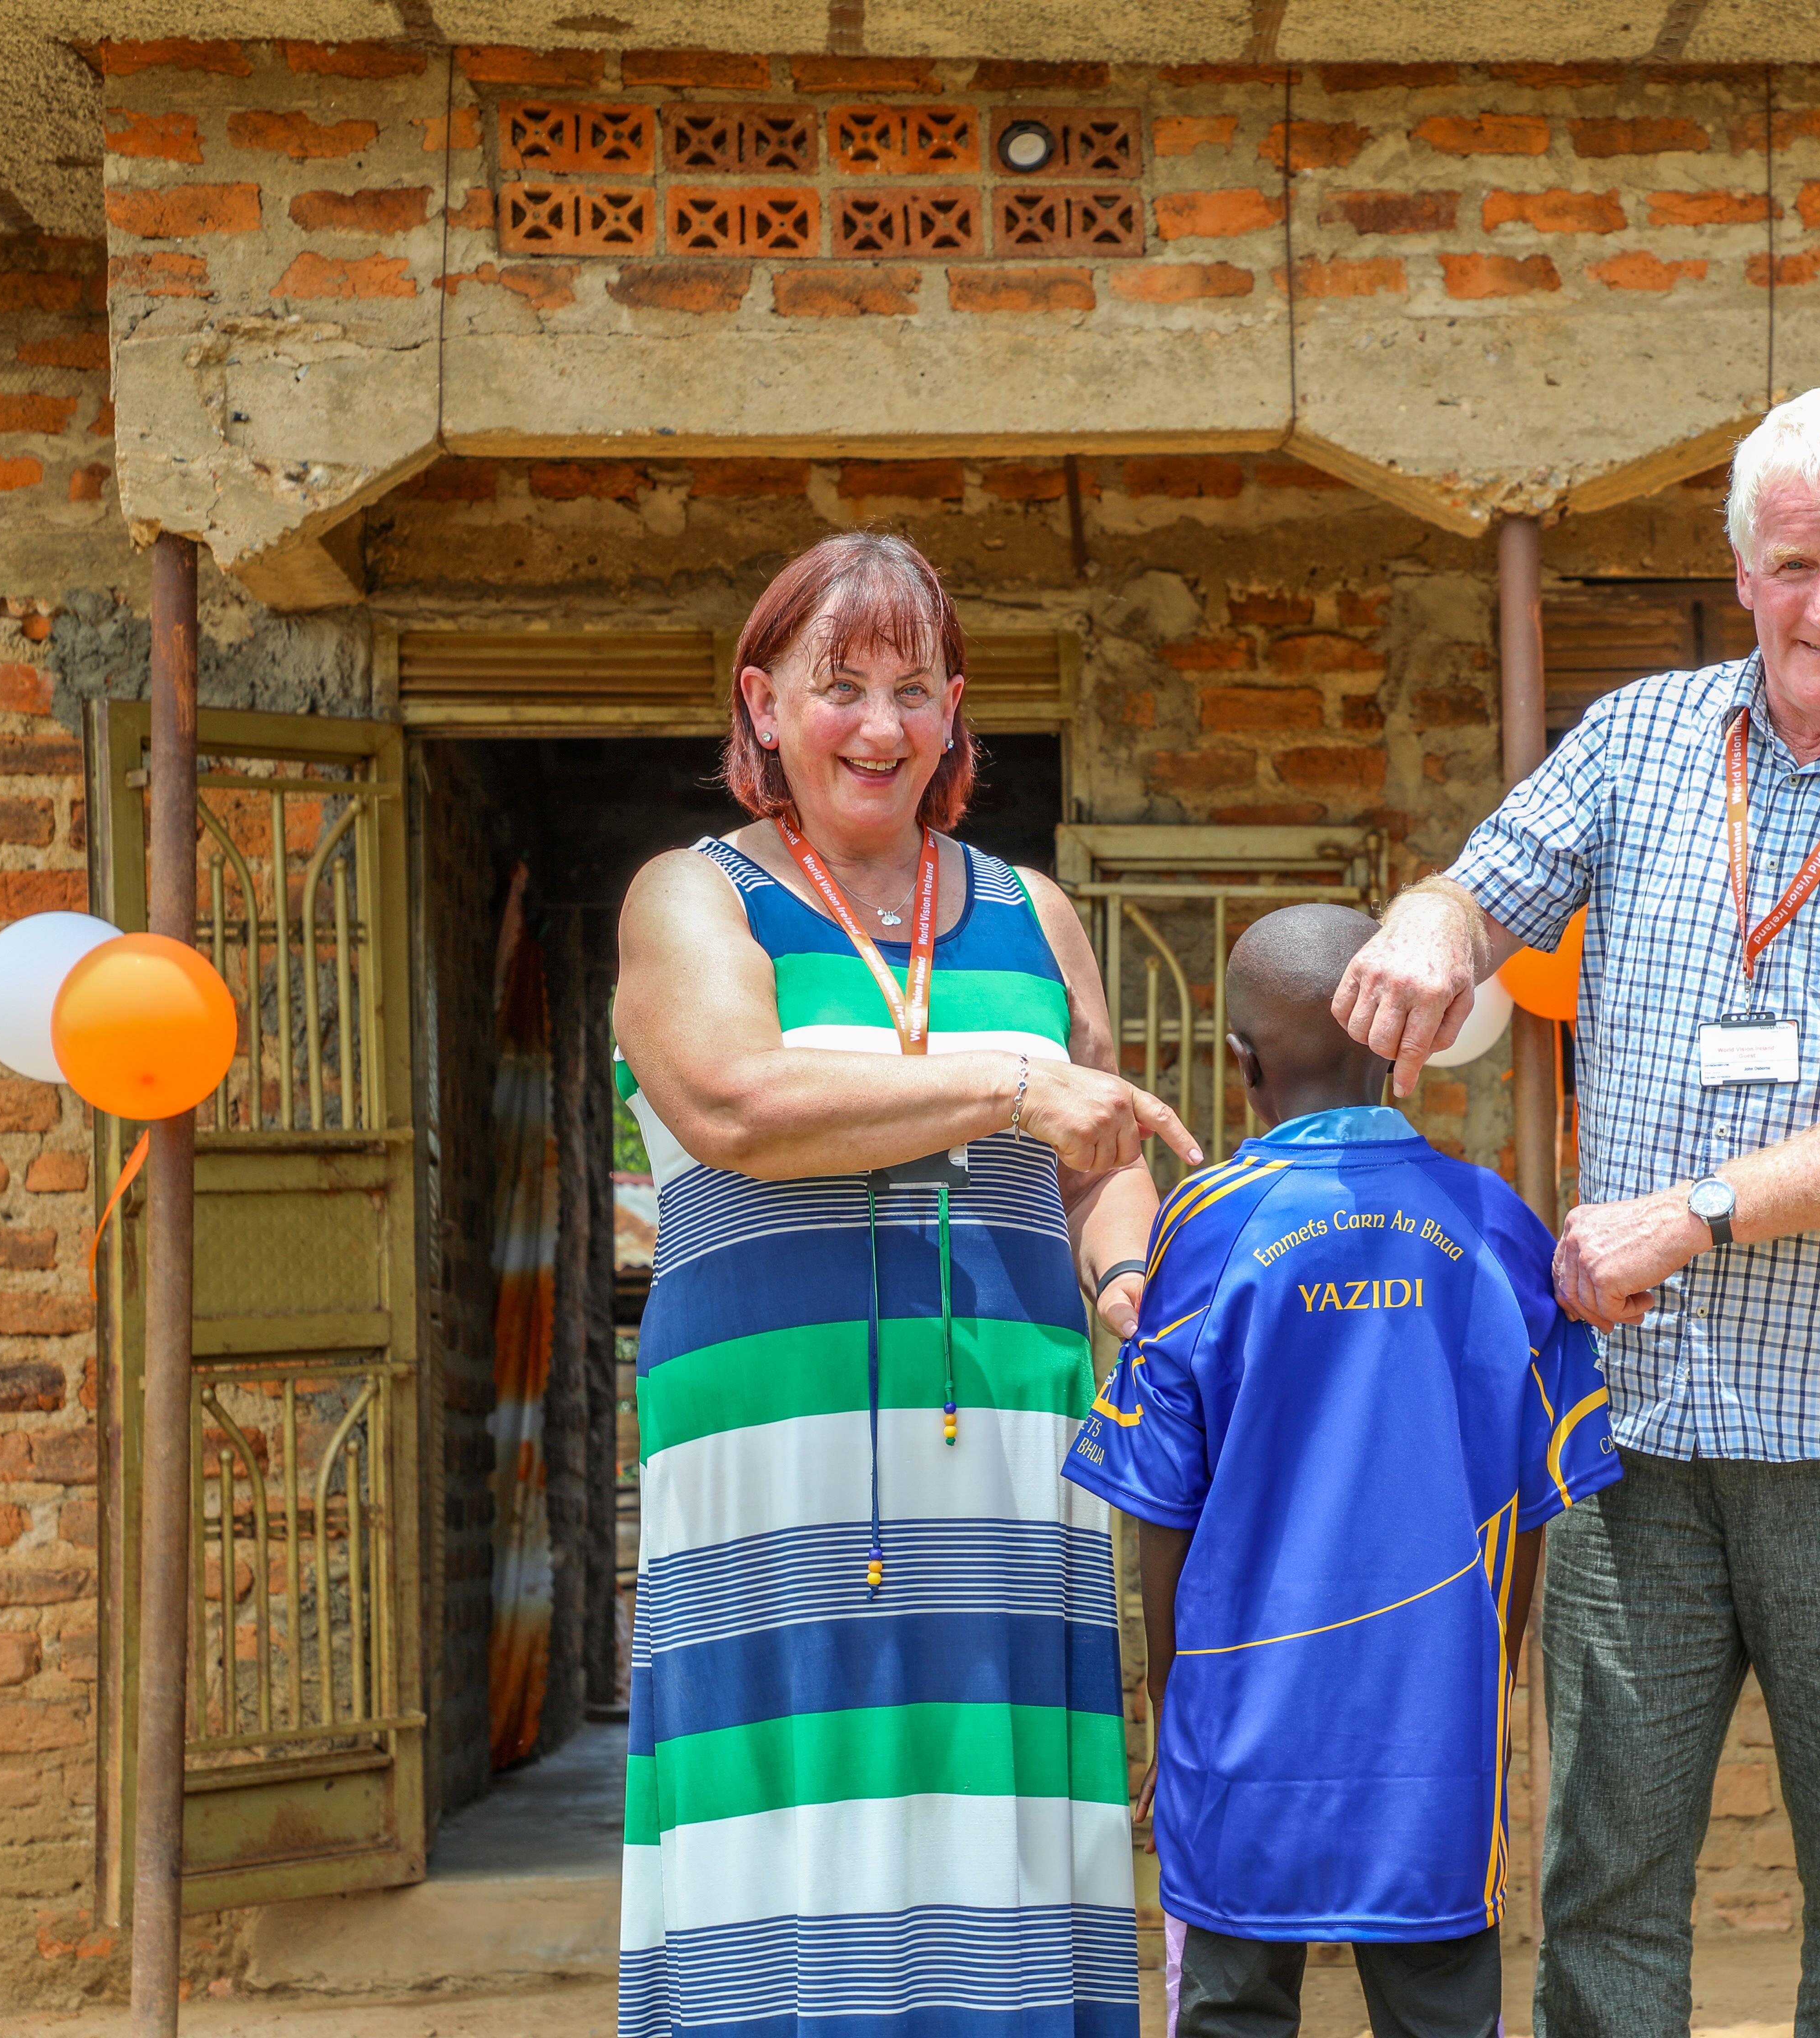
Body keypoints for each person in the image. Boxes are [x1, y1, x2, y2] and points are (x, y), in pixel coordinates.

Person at [1331, 387, 1820, 2035]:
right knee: (1603, 1885)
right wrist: (1435, 926)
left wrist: (1696, 1215)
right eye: (1793, 564)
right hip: (1635, 1435)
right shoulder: (1636, 741)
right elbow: (1479, 883)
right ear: (1739, 571)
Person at [612, 530, 1199, 2038]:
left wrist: (1127, 1270)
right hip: (775, 1451)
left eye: (913, 688)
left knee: (986, 1806)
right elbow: (736, 1100)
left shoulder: (1030, 909)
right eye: (839, 686)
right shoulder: (695, 900)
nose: (878, 726)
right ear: (761, 702)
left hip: (1008, 1438)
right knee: (790, 1806)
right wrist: (1012, 1083)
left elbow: (1100, 1151)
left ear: (954, 712)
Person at [1063, 903, 1620, 2038]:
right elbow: (1537, 1500)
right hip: (1435, 1735)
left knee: (1229, 2011)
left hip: (1238, 1730)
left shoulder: (1204, 1228)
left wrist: (1173, 1712)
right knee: (1441, 2017)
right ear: (1402, 1040)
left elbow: (1162, 1512)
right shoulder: (1501, 1229)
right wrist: (1494, 1675)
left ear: (1239, 1063)